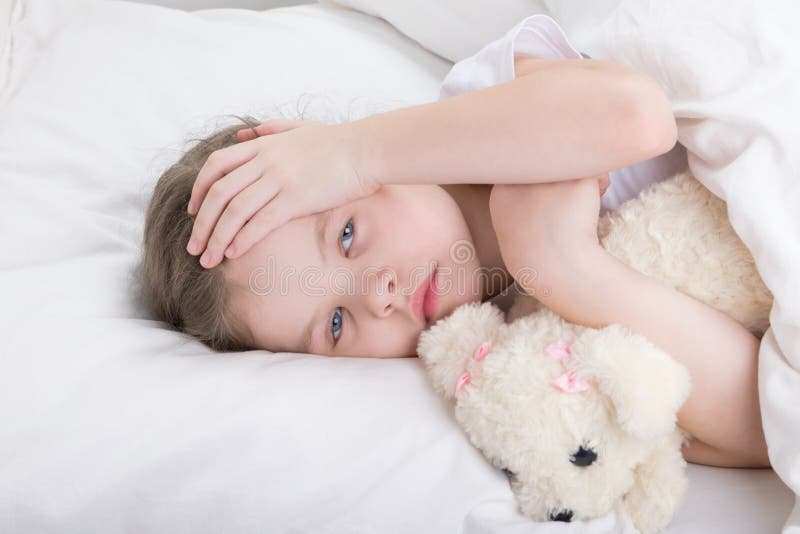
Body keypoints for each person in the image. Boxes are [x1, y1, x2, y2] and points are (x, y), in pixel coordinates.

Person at [139, 15, 768, 469]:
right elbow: (768, 422)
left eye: (349, 234)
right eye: (334, 323)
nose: (379, 295)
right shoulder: (526, 366)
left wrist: (359, 151)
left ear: (330, 156)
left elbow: (637, 115)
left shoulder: (480, 104)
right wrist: (560, 264)